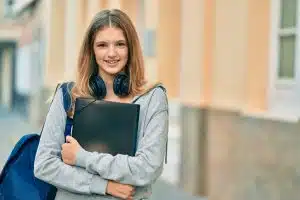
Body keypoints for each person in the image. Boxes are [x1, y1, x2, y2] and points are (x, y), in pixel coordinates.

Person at [34, 9, 169, 200]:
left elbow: (147, 169)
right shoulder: (68, 94)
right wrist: (104, 185)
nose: (111, 53)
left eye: (120, 44)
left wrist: (82, 157)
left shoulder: (152, 97)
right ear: (91, 50)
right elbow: (44, 165)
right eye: (102, 45)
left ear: (131, 49)